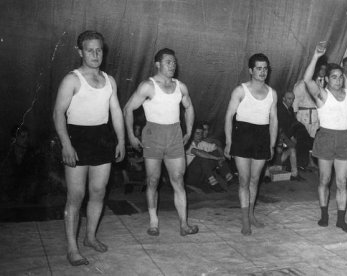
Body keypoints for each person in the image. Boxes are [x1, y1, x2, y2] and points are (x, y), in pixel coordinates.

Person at [53, 31, 125, 266]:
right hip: (77, 139)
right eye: (90, 50)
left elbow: (115, 112)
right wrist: (66, 143)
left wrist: (121, 140)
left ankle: (90, 237)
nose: (95, 54)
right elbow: (58, 114)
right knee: (76, 196)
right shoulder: (72, 79)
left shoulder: (109, 80)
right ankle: (72, 248)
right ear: (80, 52)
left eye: (99, 50)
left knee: (98, 191)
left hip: (102, 139)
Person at [123, 48, 198, 237]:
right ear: (158, 64)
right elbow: (128, 109)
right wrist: (131, 136)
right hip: (153, 136)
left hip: (174, 135)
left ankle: (184, 224)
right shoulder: (148, 86)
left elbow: (189, 108)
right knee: (153, 180)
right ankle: (153, 222)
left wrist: (189, 131)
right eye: (168, 62)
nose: (173, 66)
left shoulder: (181, 87)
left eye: (174, 62)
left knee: (178, 180)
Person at [304, 43, 347, 234]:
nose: (337, 80)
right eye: (333, 77)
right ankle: (324, 214)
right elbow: (307, 80)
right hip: (326, 138)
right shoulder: (322, 95)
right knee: (325, 180)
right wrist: (316, 56)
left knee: (342, 182)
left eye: (340, 77)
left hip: (344, 139)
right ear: (326, 79)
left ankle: (341, 220)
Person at [224, 53, 278, 235]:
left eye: (265, 68)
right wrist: (229, 141)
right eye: (259, 68)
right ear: (251, 70)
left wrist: (271, 144)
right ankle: (245, 219)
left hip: (262, 137)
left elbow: (274, 120)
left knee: (255, 180)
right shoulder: (240, 90)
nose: (263, 72)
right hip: (242, 135)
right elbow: (229, 116)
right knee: (244, 180)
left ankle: (252, 214)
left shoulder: (272, 93)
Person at [277, 91, 311, 180]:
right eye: (289, 99)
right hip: (280, 135)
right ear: (283, 99)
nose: (291, 101)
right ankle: (291, 170)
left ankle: (294, 169)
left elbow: (293, 124)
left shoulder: (290, 109)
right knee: (293, 148)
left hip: (288, 134)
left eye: (292, 99)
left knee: (298, 145)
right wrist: (292, 137)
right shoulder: (280, 109)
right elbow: (283, 127)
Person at [185, 124, 229, 193]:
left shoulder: (202, 143)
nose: (200, 136)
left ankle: (229, 177)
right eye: (197, 133)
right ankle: (213, 183)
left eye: (201, 133)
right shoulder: (186, 144)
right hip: (189, 177)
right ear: (191, 134)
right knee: (202, 157)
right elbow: (198, 152)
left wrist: (222, 157)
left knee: (215, 152)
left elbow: (218, 147)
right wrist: (216, 158)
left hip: (201, 175)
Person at [293, 56, 327, 138]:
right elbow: (295, 103)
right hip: (304, 117)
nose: (323, 71)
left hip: (318, 118)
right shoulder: (302, 84)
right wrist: (296, 121)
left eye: (325, 69)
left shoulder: (326, 83)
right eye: (321, 68)